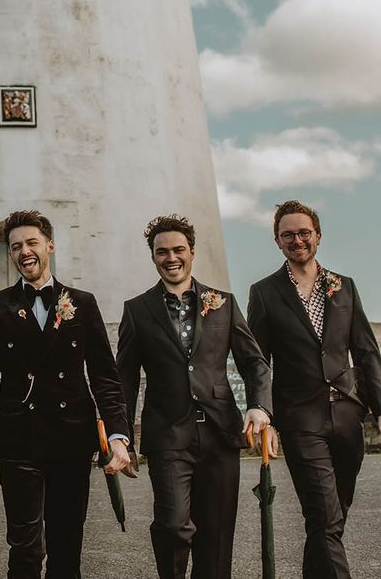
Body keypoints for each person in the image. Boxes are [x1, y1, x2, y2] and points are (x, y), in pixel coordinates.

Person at [0, 209, 132, 579]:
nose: (24, 252)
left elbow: (105, 376)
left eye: (31, 243)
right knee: (25, 549)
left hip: (71, 440)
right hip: (18, 440)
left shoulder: (82, 302)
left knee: (66, 547)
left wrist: (119, 435)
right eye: (15, 247)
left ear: (49, 246)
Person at [117, 214, 271, 579]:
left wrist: (259, 406)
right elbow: (123, 379)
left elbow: (255, 363)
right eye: (162, 252)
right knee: (172, 525)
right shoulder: (137, 311)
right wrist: (120, 436)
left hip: (221, 434)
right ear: (153, 257)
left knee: (216, 538)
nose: (171, 258)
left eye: (178, 250)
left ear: (192, 252)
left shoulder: (224, 303)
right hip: (168, 434)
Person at [248, 200, 381, 579]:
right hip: (301, 419)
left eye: (304, 232)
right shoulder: (264, 293)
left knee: (330, 520)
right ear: (277, 241)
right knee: (324, 514)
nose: (297, 240)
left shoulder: (345, 287)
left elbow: (367, 353)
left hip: (347, 414)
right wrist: (266, 417)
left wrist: (379, 408)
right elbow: (259, 362)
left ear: (317, 236)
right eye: (287, 234)